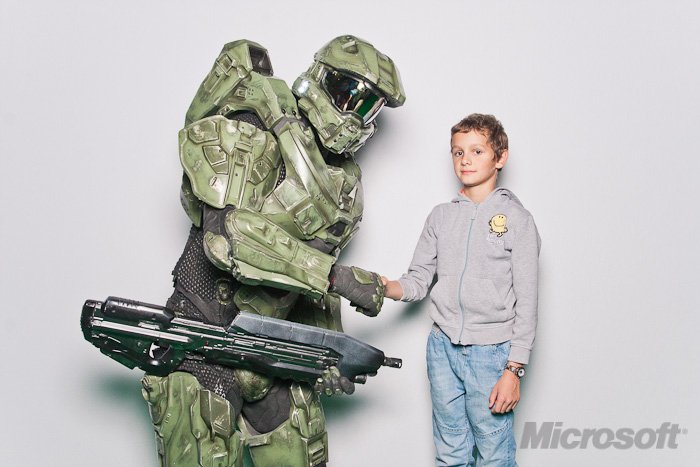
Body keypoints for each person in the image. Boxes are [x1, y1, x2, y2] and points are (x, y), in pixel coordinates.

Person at [139, 36, 405, 467]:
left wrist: (328, 353)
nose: (353, 113)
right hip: (205, 338)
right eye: (347, 93)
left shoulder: (341, 185)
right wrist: (336, 277)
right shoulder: (257, 124)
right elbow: (228, 239)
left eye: (368, 106)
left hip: (271, 351)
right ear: (319, 78)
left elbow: (305, 288)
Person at [382, 114, 540, 466]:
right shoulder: (441, 216)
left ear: (500, 157)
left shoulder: (517, 220)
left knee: (494, 452)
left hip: (492, 353)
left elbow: (528, 302)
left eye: (477, 151)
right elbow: (418, 280)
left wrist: (513, 370)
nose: (465, 160)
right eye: (457, 152)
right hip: (442, 348)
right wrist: (384, 288)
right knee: (450, 449)